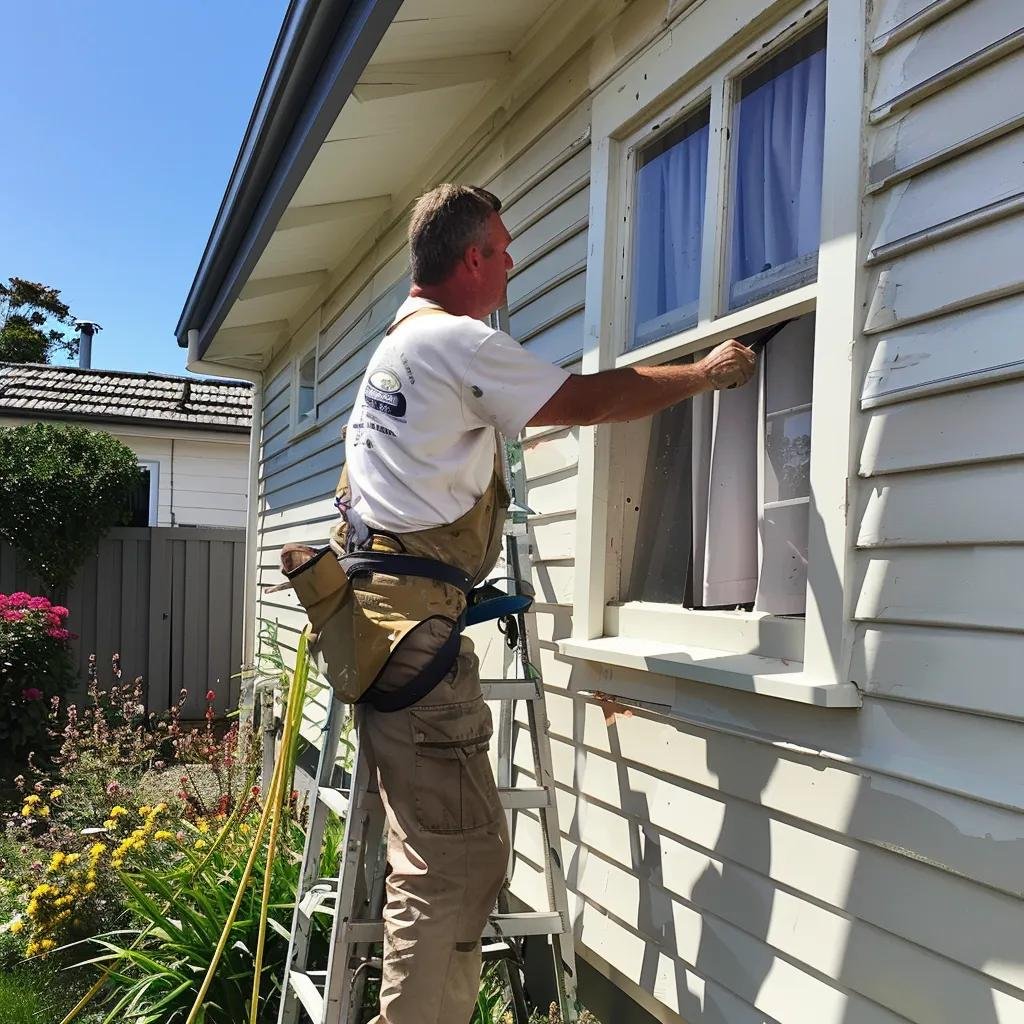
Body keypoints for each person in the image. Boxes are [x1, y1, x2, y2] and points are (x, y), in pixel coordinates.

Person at [303, 184, 755, 1024]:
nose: (513, 263)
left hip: (384, 623)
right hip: (410, 635)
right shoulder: (456, 341)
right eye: (503, 249)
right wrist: (705, 373)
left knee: (443, 858)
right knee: (455, 861)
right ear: (471, 258)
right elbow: (588, 402)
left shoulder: (399, 347)